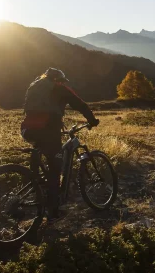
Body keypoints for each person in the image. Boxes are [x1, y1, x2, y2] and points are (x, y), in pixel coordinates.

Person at [21, 68, 99, 221]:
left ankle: (35, 185)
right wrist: (92, 120)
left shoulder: (35, 86)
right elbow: (80, 104)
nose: (63, 84)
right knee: (55, 168)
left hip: (27, 129)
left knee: (41, 151)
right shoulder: (59, 88)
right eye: (62, 81)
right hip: (47, 129)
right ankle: (53, 211)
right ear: (57, 80)